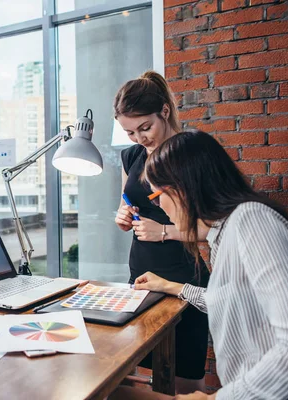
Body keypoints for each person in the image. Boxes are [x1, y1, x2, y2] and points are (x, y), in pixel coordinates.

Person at [116, 131, 288, 400]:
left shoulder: (252, 222)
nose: (159, 206)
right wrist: (172, 287)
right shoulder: (225, 233)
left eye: (157, 196)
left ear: (183, 189)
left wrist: (215, 399)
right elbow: (233, 300)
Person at [113, 71, 210, 393]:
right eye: (130, 132)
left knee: (184, 375)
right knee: (140, 364)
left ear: (164, 112)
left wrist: (164, 231)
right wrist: (124, 215)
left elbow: (209, 229)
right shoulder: (131, 156)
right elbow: (128, 201)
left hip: (184, 274)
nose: (140, 138)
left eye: (145, 127)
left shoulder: (189, 152)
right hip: (141, 271)